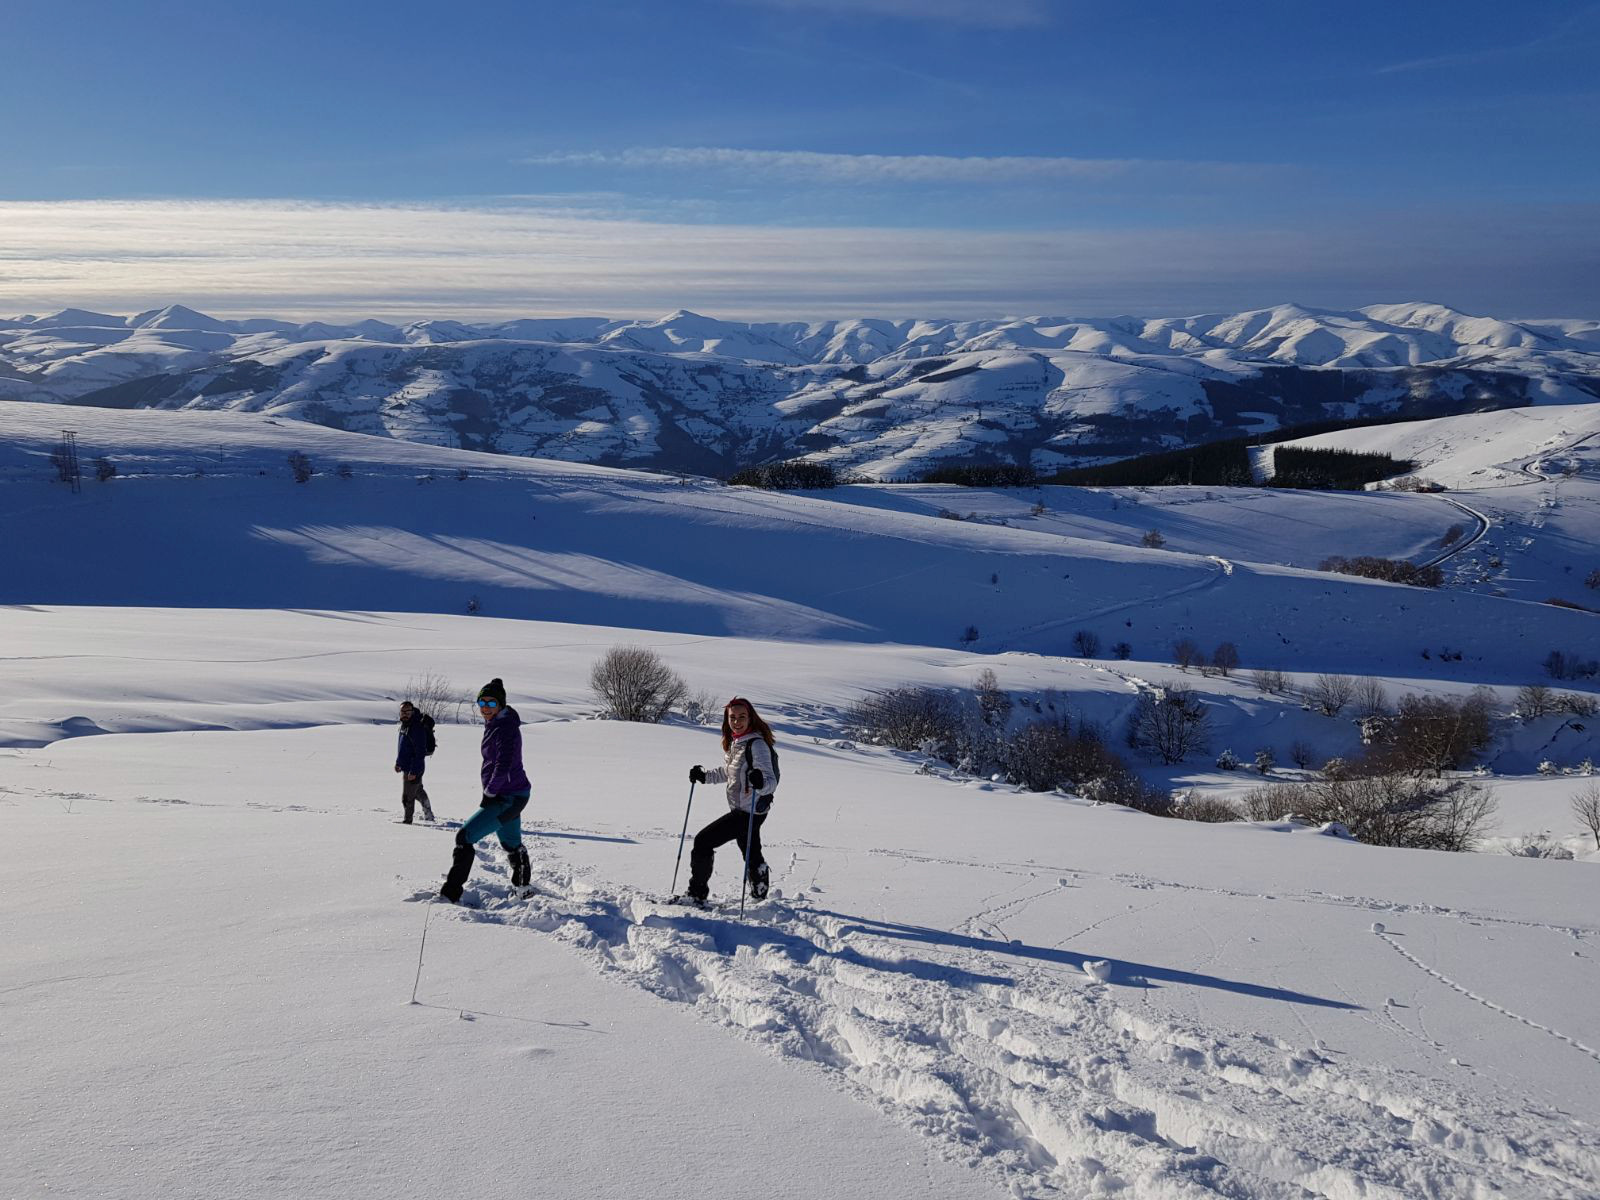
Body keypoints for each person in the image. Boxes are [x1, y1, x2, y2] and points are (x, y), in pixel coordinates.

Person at [439, 678, 532, 903]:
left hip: (507, 796)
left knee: (464, 837)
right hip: (513, 792)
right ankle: (523, 888)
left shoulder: (505, 728)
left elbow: (503, 764)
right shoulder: (498, 724)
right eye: (482, 703)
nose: (485, 709)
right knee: (511, 842)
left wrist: (489, 793)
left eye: (491, 704)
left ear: (501, 705)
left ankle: (450, 895)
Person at [684, 697, 778, 906]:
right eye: (732, 717)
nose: (737, 721)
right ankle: (760, 893)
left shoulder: (757, 745)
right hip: (746, 808)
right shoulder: (738, 743)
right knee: (750, 850)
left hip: (748, 810)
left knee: (703, 842)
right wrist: (705, 776)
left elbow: (770, 782)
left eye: (741, 717)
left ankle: (696, 895)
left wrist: (760, 782)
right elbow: (729, 772)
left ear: (750, 718)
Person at [395, 701, 435, 824]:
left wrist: (414, 770)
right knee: (417, 790)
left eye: (407, 711)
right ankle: (428, 810)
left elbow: (420, 752)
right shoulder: (405, 725)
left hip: (414, 767)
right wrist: (398, 763)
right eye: (403, 711)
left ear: (412, 712)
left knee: (407, 797)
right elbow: (402, 748)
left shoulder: (416, 728)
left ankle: (407, 822)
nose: (405, 714)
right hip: (407, 766)